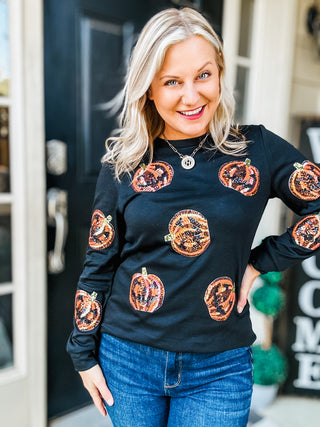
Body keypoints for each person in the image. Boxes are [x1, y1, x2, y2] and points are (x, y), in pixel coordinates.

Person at [67, 7, 320, 427]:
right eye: (171, 82)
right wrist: (82, 354)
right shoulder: (124, 164)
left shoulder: (256, 150)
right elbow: (99, 264)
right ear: (148, 89)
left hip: (219, 367)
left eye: (203, 75)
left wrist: (261, 261)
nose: (191, 95)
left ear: (220, 73)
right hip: (127, 359)